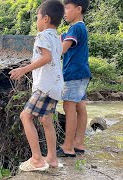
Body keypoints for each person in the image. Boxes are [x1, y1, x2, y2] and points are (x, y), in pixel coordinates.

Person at [9, 0, 64, 171]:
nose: (37, 21)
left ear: (46, 18)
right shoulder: (56, 37)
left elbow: (46, 58)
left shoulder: (42, 36)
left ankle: (37, 159)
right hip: (56, 86)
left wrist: (24, 69)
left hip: (45, 86)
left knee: (25, 116)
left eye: (38, 17)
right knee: (46, 119)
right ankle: (52, 159)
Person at [57, 0, 91, 157]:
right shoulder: (80, 27)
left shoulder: (75, 28)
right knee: (80, 107)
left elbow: (62, 49)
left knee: (69, 107)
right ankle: (79, 143)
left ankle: (68, 146)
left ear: (78, 9)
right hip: (82, 73)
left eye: (67, 8)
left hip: (74, 74)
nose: (65, 11)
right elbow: (60, 38)